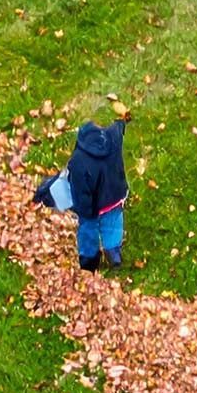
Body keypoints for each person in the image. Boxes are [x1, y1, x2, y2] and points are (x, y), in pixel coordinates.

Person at [54, 105, 130, 271]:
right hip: (115, 196)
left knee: (88, 229)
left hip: (93, 206)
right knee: (113, 224)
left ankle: (89, 260)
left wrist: (84, 210)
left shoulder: (79, 162)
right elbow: (118, 127)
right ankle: (113, 253)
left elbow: (82, 192)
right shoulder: (113, 138)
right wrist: (123, 121)